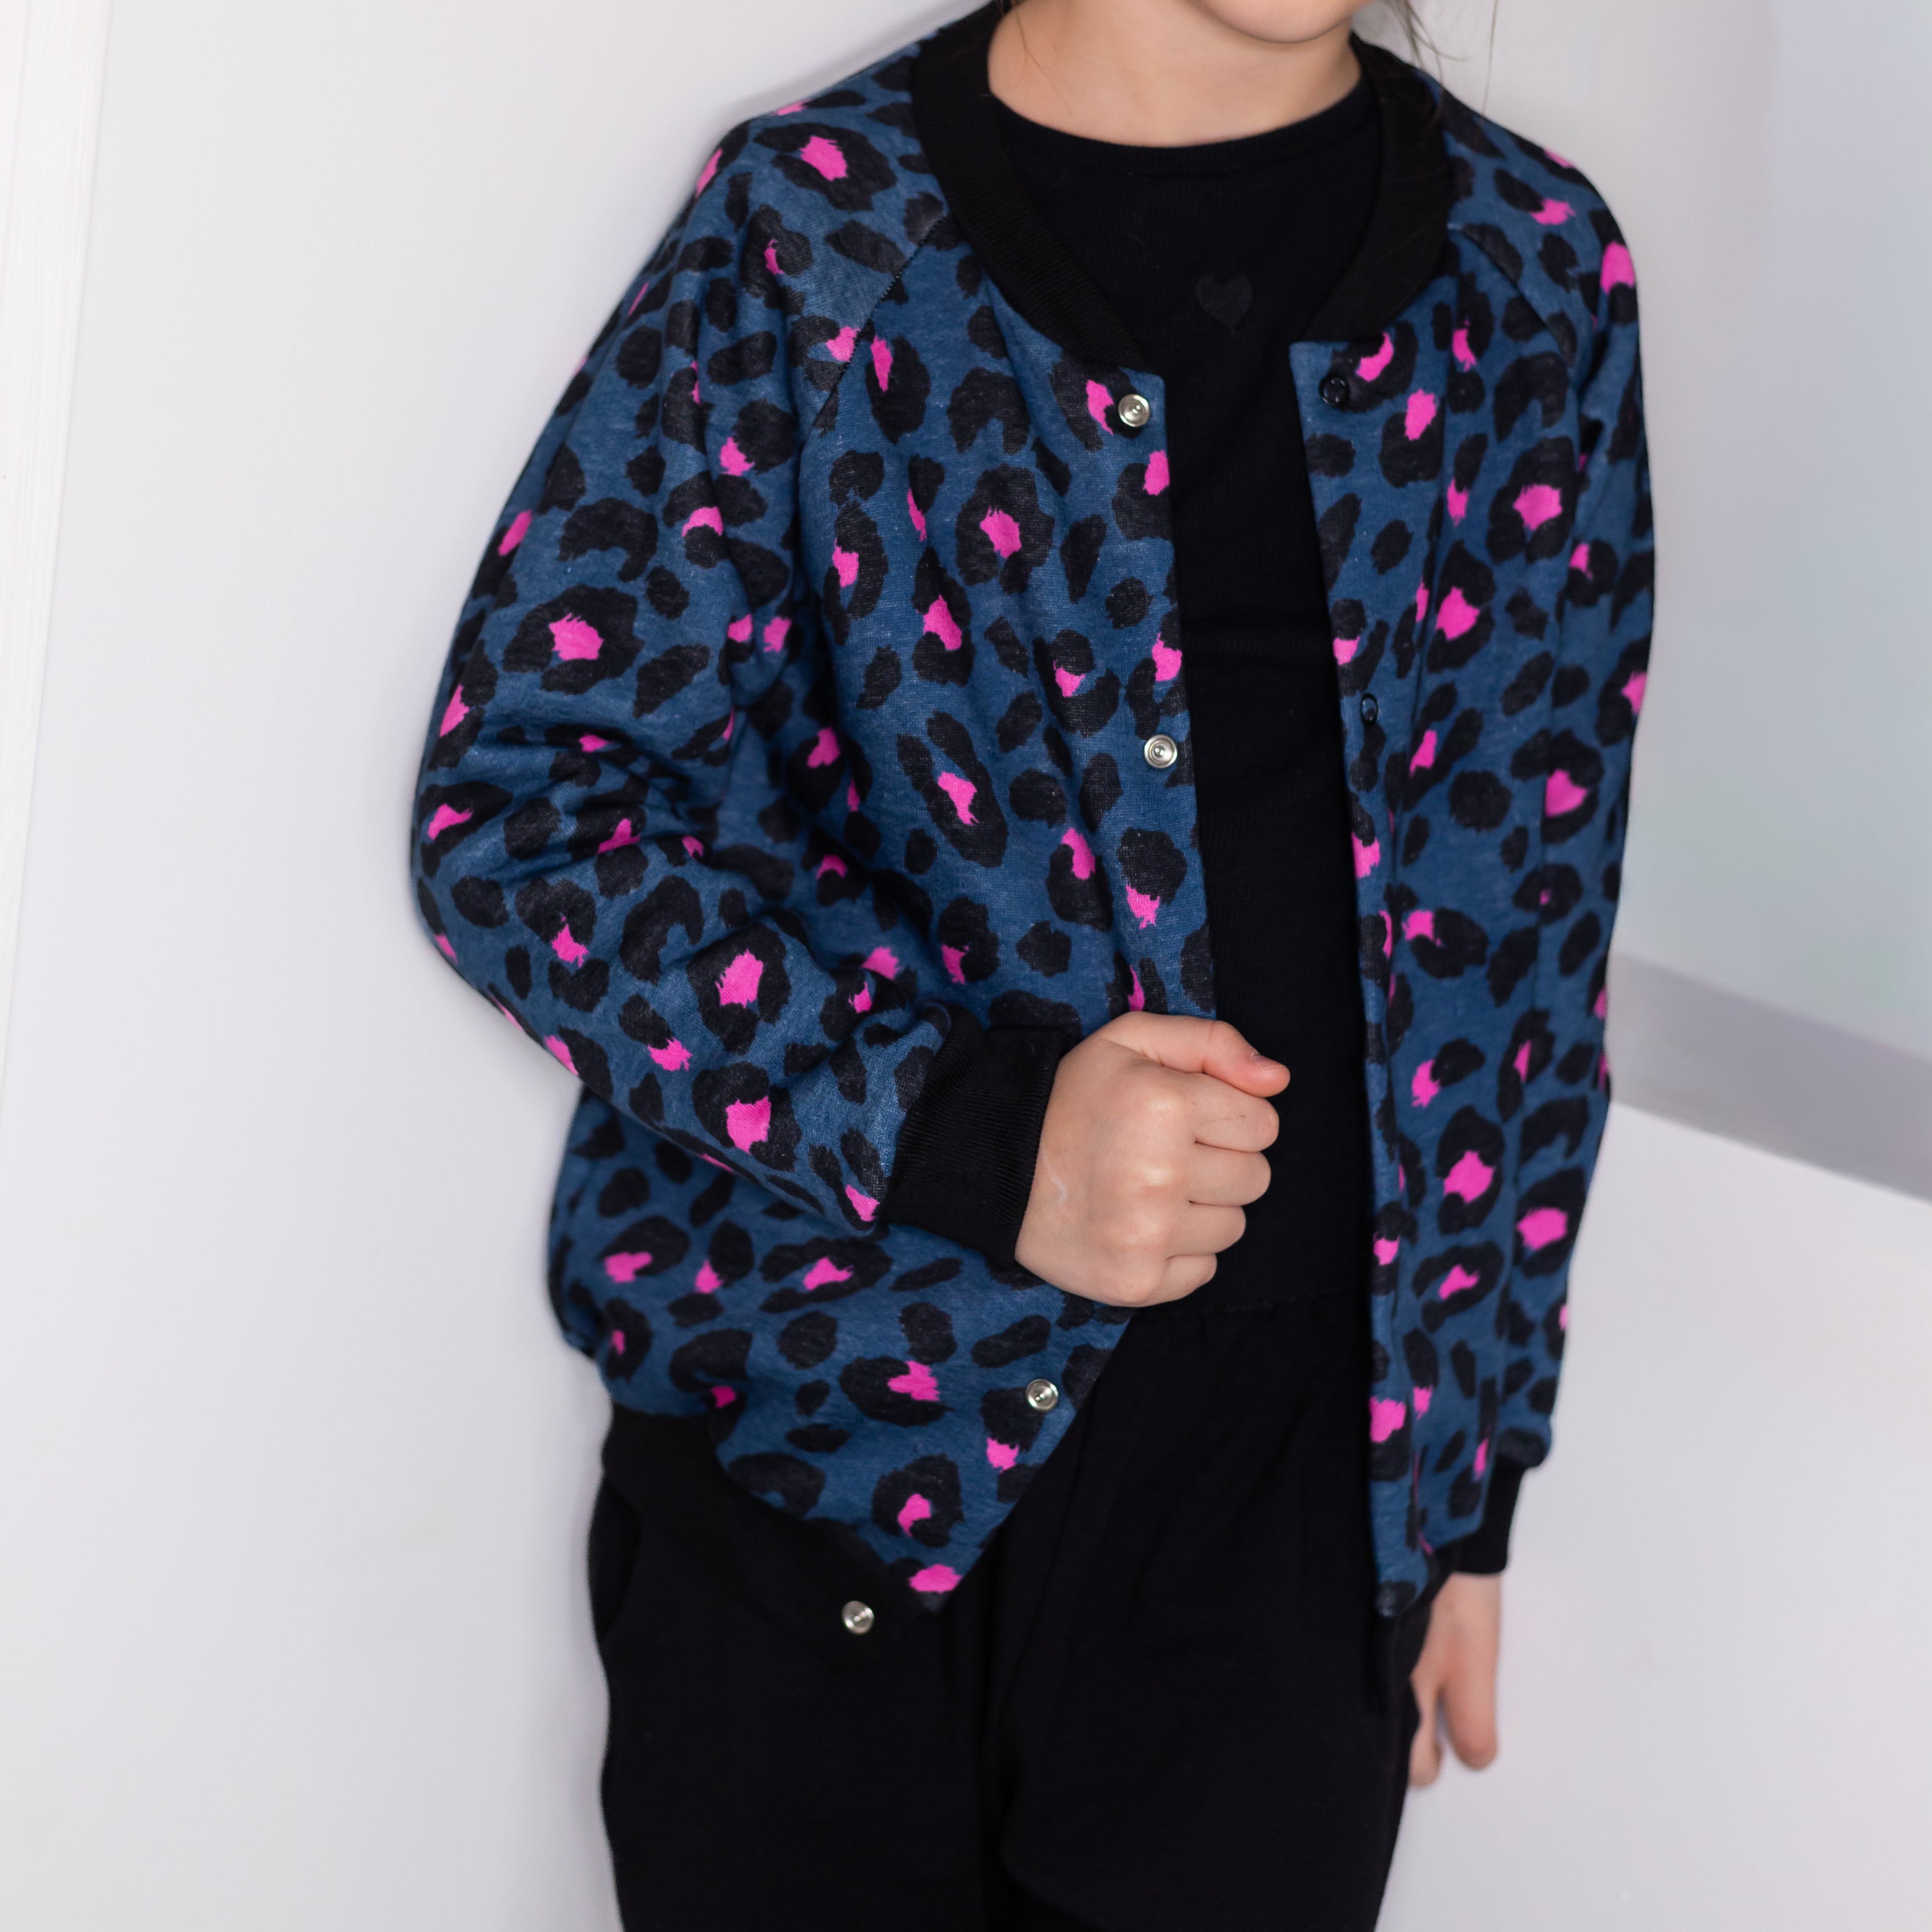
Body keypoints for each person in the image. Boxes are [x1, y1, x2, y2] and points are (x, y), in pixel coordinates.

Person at [409, 0, 1650, 1922]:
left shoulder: (1535, 271)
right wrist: (979, 1138)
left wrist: (1461, 1500)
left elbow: (1531, 931)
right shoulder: (818, 232)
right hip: (824, 1481)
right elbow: (527, 819)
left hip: (1291, 1545)